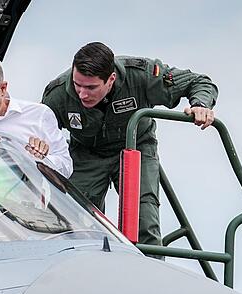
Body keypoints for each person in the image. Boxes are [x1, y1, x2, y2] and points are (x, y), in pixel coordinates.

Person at [42, 42, 218, 255]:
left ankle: (148, 278)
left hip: (135, 148)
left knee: (143, 219)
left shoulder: (141, 75)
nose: (82, 94)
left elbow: (198, 82)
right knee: (76, 219)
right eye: (78, 85)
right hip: (87, 153)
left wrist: (201, 104)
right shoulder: (58, 93)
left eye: (91, 88)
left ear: (111, 79)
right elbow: (40, 130)